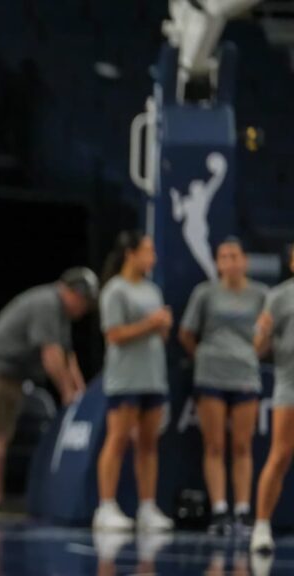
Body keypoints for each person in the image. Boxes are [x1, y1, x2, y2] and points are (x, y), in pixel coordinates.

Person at [0, 267, 96, 518]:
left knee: (1, 434)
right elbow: (50, 354)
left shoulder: (60, 312)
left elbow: (67, 355)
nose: (83, 311)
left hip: (12, 373)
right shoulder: (47, 304)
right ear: (72, 293)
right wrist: (66, 392)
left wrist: (81, 393)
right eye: (84, 303)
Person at [178, 237, 267, 535]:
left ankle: (242, 511)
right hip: (211, 374)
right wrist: (205, 356)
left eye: (234, 255)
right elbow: (187, 333)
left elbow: (267, 335)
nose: (229, 261)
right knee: (214, 445)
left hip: (245, 374)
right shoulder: (204, 293)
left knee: (242, 446)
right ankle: (219, 511)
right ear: (217, 263)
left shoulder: (260, 295)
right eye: (223, 256)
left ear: (245, 261)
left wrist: (251, 354)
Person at [92, 231, 174, 532]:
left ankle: (148, 507)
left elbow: (156, 334)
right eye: (147, 251)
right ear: (131, 254)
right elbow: (113, 335)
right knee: (118, 439)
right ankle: (106, 506)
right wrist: (150, 324)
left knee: (149, 444)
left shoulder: (153, 290)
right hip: (125, 378)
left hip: (153, 377)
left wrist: (162, 326)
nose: (152, 257)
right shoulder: (115, 290)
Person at [250, 246, 294, 554]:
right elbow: (258, 349)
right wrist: (263, 334)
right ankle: (262, 527)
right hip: (289, 387)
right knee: (280, 455)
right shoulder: (278, 297)